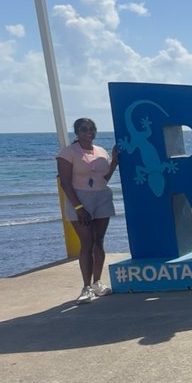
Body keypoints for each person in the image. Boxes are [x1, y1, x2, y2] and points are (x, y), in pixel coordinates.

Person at [55, 117, 119, 303]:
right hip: (80, 199)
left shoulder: (100, 151)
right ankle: (86, 287)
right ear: (77, 131)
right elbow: (65, 182)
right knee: (87, 243)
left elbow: (103, 178)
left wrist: (114, 161)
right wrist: (78, 206)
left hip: (101, 196)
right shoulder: (67, 153)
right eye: (84, 129)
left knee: (99, 241)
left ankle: (98, 282)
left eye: (92, 128)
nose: (88, 132)